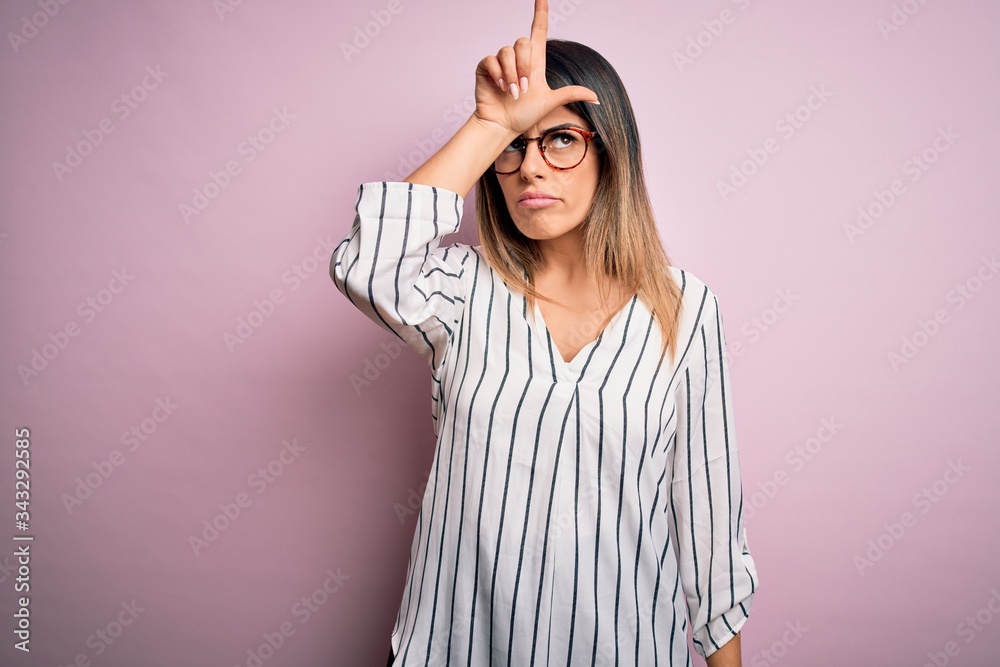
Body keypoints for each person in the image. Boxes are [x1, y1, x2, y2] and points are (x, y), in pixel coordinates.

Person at [330, 1, 759, 664]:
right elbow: (368, 265)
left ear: (609, 150)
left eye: (559, 138)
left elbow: (709, 530)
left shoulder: (688, 310)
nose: (529, 167)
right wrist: (490, 120)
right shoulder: (462, 292)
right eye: (513, 147)